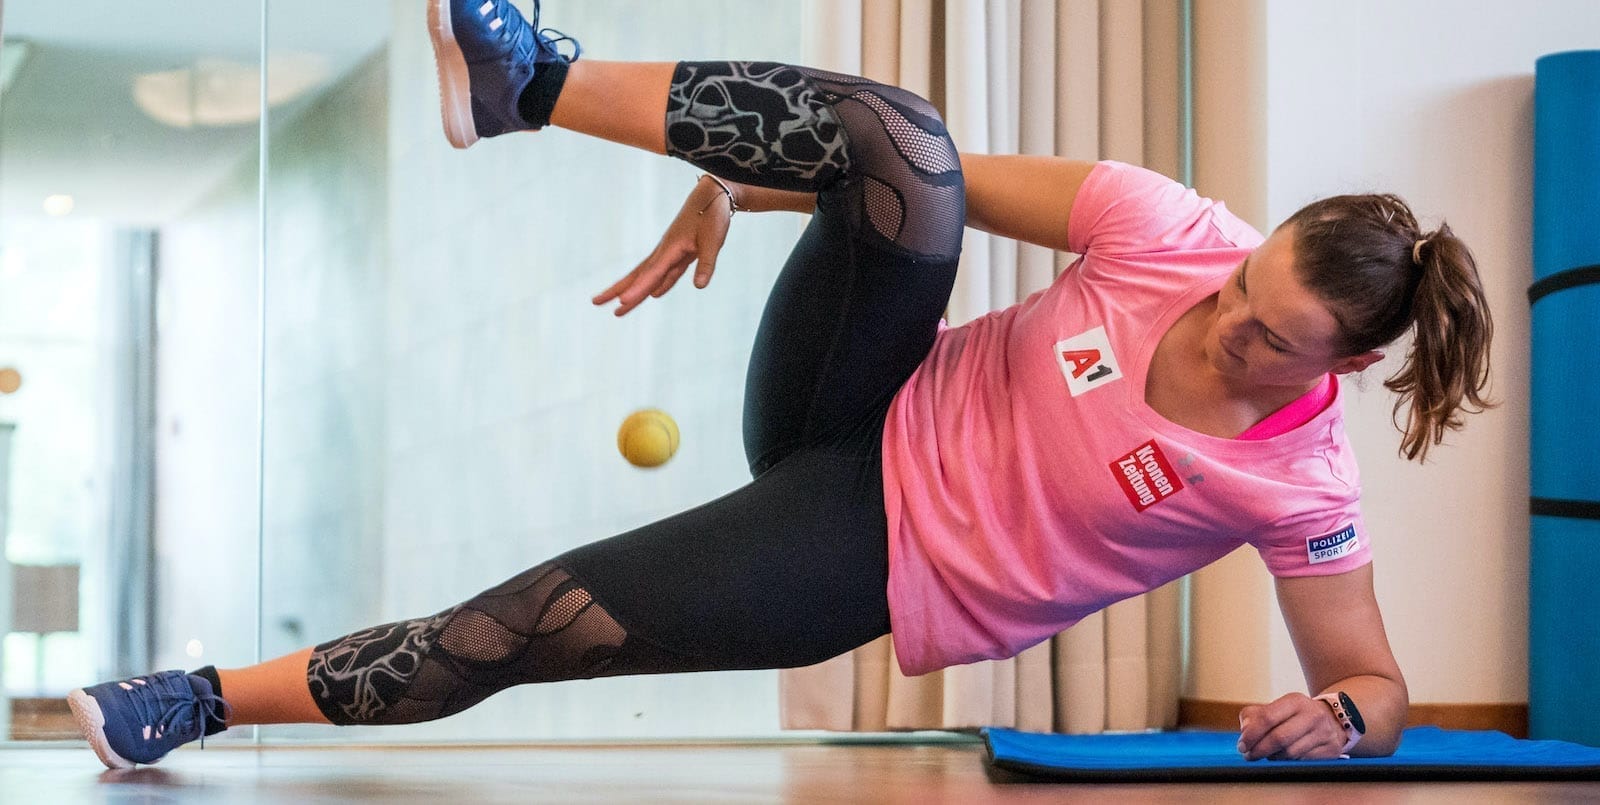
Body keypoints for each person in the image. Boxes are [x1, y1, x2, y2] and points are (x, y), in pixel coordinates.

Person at [68, 0, 1494, 769]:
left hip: (875, 553)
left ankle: (195, 699)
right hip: (857, 387)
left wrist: (1339, 721)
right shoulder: (1178, 232)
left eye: (1265, 332)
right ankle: (532, 86)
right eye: (1240, 282)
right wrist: (739, 188)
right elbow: (931, 182)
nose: (1222, 313)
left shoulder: (1297, 485)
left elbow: (1372, 685)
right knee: (904, 138)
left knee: (523, 625)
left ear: (1349, 363)